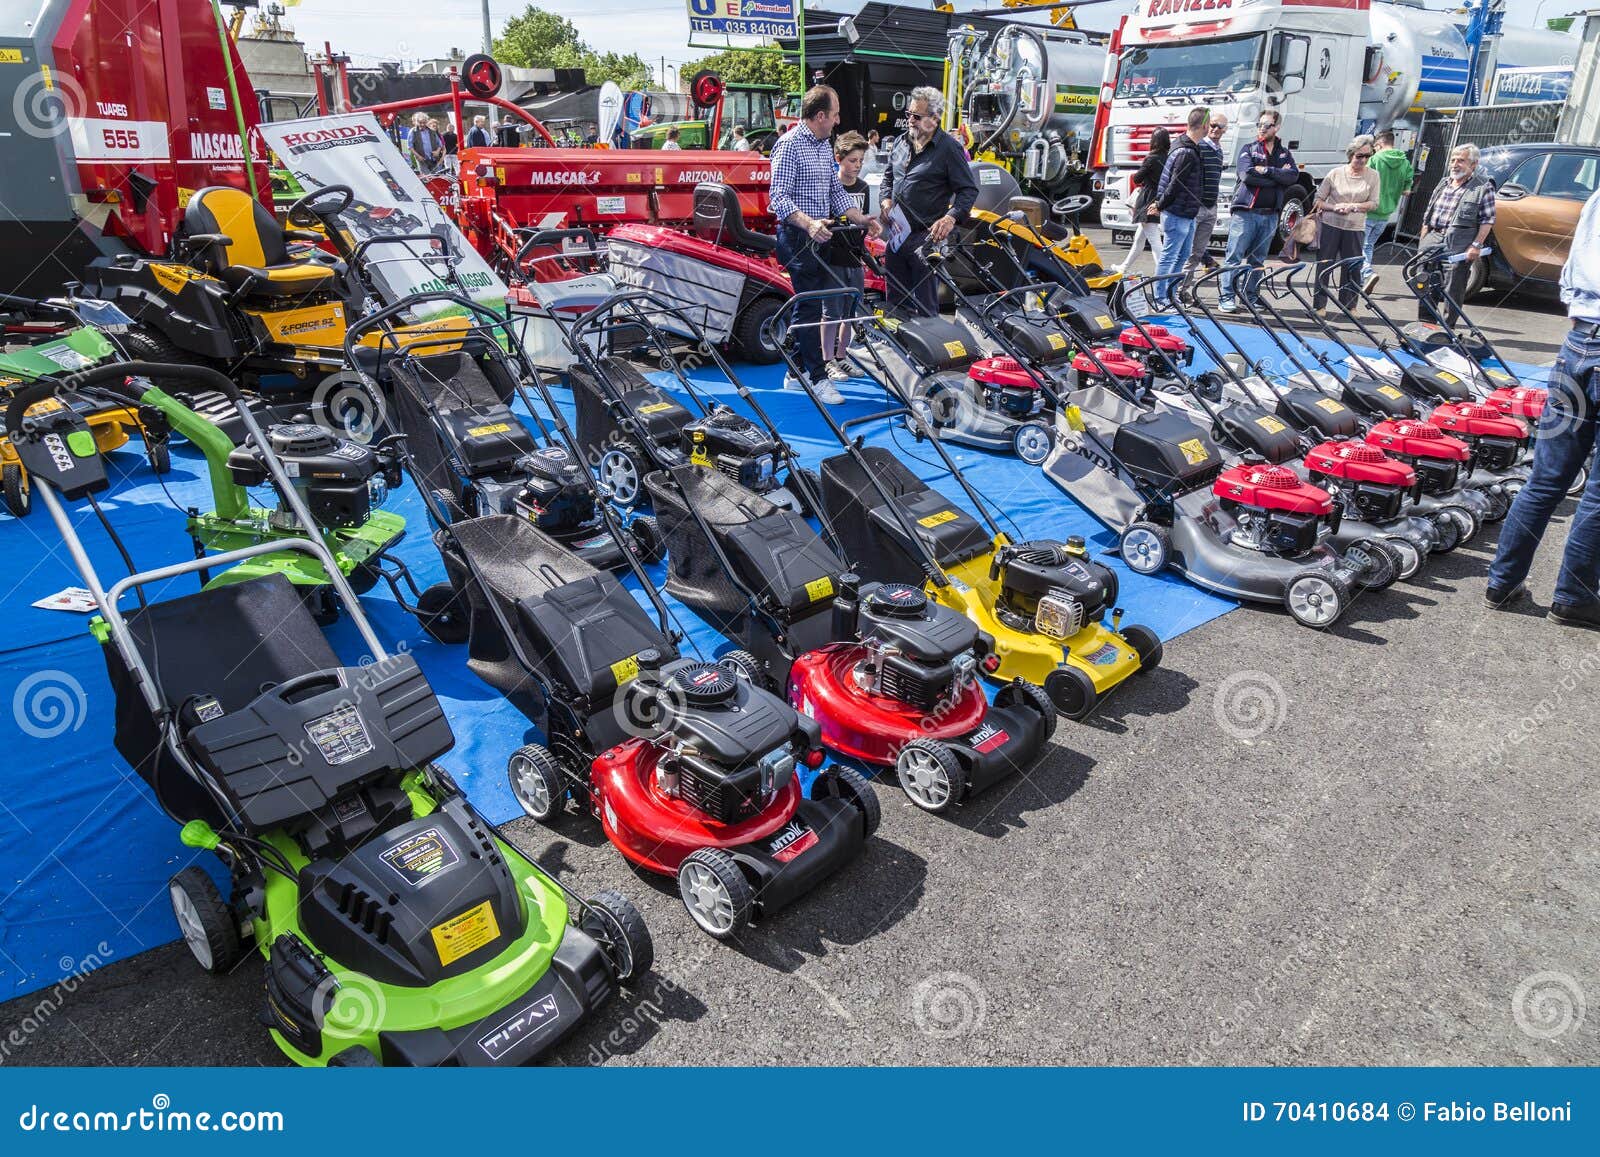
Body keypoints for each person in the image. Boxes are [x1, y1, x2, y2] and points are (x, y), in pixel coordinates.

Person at [1484, 187, 1600, 627]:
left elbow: (1573, 261)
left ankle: (1502, 580)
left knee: (1547, 478)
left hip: (1580, 340)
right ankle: (1574, 596)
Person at [769, 85, 884, 402]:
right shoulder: (789, 146)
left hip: (820, 237)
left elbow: (836, 193)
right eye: (834, 115)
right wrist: (809, 223)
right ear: (820, 115)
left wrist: (861, 219)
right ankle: (817, 377)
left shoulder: (822, 145)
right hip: (797, 237)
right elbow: (778, 197)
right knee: (809, 306)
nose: (837, 121)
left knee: (809, 306)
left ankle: (795, 371)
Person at [879, 85, 979, 318]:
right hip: (896, 235)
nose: (910, 121)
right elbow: (887, 178)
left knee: (925, 307)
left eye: (916, 116)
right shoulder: (902, 142)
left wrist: (950, 217)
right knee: (895, 306)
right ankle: (898, 347)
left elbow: (968, 190)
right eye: (908, 115)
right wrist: (885, 200)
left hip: (925, 237)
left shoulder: (949, 149)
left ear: (934, 118)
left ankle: (927, 352)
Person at [1218, 109, 1299, 313]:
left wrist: (1269, 171)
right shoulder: (1248, 148)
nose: (1261, 128)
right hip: (1245, 212)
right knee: (1234, 256)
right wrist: (1276, 179)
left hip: (1270, 214)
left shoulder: (1284, 153)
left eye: (1267, 125)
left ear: (1277, 127)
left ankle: (1250, 295)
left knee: (1258, 259)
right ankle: (1226, 297)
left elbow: (1292, 176)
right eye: (1259, 124)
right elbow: (1247, 176)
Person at [1415, 142, 1495, 325]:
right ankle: (1426, 324)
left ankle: (1447, 328)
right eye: (1453, 160)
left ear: (1473, 165)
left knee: (1454, 287)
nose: (1455, 164)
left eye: (1461, 160)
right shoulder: (1444, 182)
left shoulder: (1483, 187)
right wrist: (1423, 238)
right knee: (1424, 281)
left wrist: (1476, 245)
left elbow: (1487, 220)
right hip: (1432, 239)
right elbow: (1429, 212)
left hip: (1458, 243)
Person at [821, 132, 872, 383]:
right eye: (853, 160)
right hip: (832, 257)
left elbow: (863, 222)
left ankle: (842, 356)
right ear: (839, 159)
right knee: (831, 312)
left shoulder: (863, 187)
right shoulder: (831, 186)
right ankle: (827, 359)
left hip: (854, 257)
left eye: (860, 160)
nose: (857, 165)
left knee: (851, 311)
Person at [1311, 135, 1381, 314]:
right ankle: (1320, 305)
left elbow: (1374, 203)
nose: (1363, 160)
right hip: (1330, 225)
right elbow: (1318, 200)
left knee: (1352, 267)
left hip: (1355, 227)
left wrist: (1355, 206)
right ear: (1351, 155)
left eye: (1367, 156)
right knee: (1324, 264)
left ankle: (1349, 305)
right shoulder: (1335, 173)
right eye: (1359, 156)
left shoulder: (1373, 176)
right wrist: (1334, 207)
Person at [1150, 109, 1208, 310]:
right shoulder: (1186, 151)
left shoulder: (1185, 146)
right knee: (1170, 256)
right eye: (1210, 125)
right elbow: (1175, 184)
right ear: (1204, 125)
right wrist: (1160, 205)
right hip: (1178, 211)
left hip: (1185, 212)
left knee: (1181, 256)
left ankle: (1169, 296)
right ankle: (1161, 298)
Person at [1181, 110, 1228, 297]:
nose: (1215, 129)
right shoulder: (1200, 147)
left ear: (1225, 129)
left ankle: (1184, 291)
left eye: (1220, 126)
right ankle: (1177, 291)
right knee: (1186, 253)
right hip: (1196, 207)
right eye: (1213, 125)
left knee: (1198, 252)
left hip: (1211, 207)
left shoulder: (1219, 151)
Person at [1363, 129, 1412, 292]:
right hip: (1386, 213)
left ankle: (1366, 273)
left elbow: (1364, 179)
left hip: (1369, 209)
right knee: (1368, 245)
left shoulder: (1375, 159)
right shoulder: (1405, 162)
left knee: (1361, 246)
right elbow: (1407, 186)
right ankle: (1364, 276)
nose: (1375, 150)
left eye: (1375, 147)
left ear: (1380, 144)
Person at [1116, 128, 1169, 276]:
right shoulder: (1168, 157)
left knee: (1154, 239)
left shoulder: (1151, 158)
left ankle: (1163, 272)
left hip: (1147, 199)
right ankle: (1124, 267)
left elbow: (1137, 178)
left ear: (1153, 141)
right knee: (1139, 239)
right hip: (1159, 197)